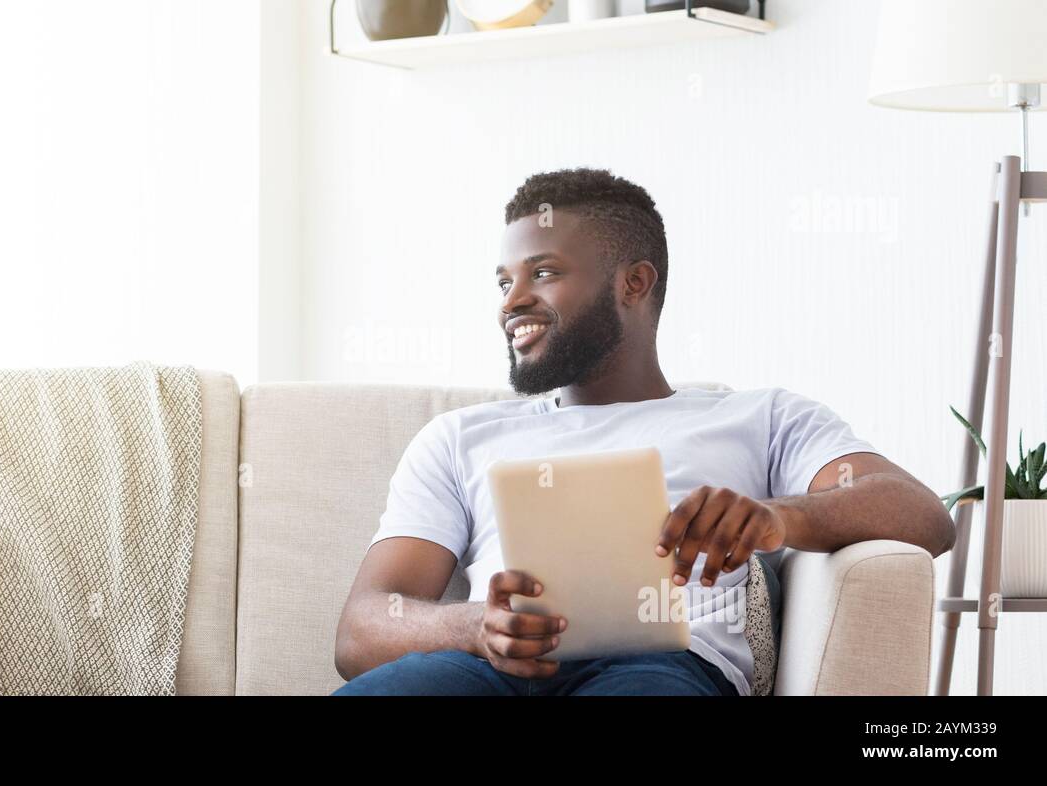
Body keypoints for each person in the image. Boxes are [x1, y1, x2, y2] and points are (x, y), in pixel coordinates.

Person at [331, 167, 954, 696]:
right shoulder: (457, 438)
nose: (511, 300)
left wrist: (778, 519)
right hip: (482, 669)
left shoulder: (758, 417)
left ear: (634, 282)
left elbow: (922, 514)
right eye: (504, 281)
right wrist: (473, 627)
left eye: (542, 273)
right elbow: (362, 629)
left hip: (662, 667)